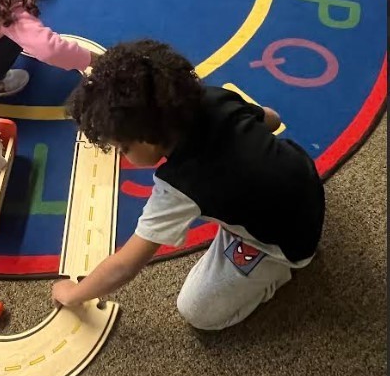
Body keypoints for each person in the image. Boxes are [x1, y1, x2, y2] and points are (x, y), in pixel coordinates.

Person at [52, 39, 325, 330]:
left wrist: (73, 293)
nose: (122, 156)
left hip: (287, 243)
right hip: (304, 178)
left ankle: (277, 270)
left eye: (124, 148)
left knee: (196, 310)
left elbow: (124, 265)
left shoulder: (179, 185)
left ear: (147, 137)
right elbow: (271, 119)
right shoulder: (212, 97)